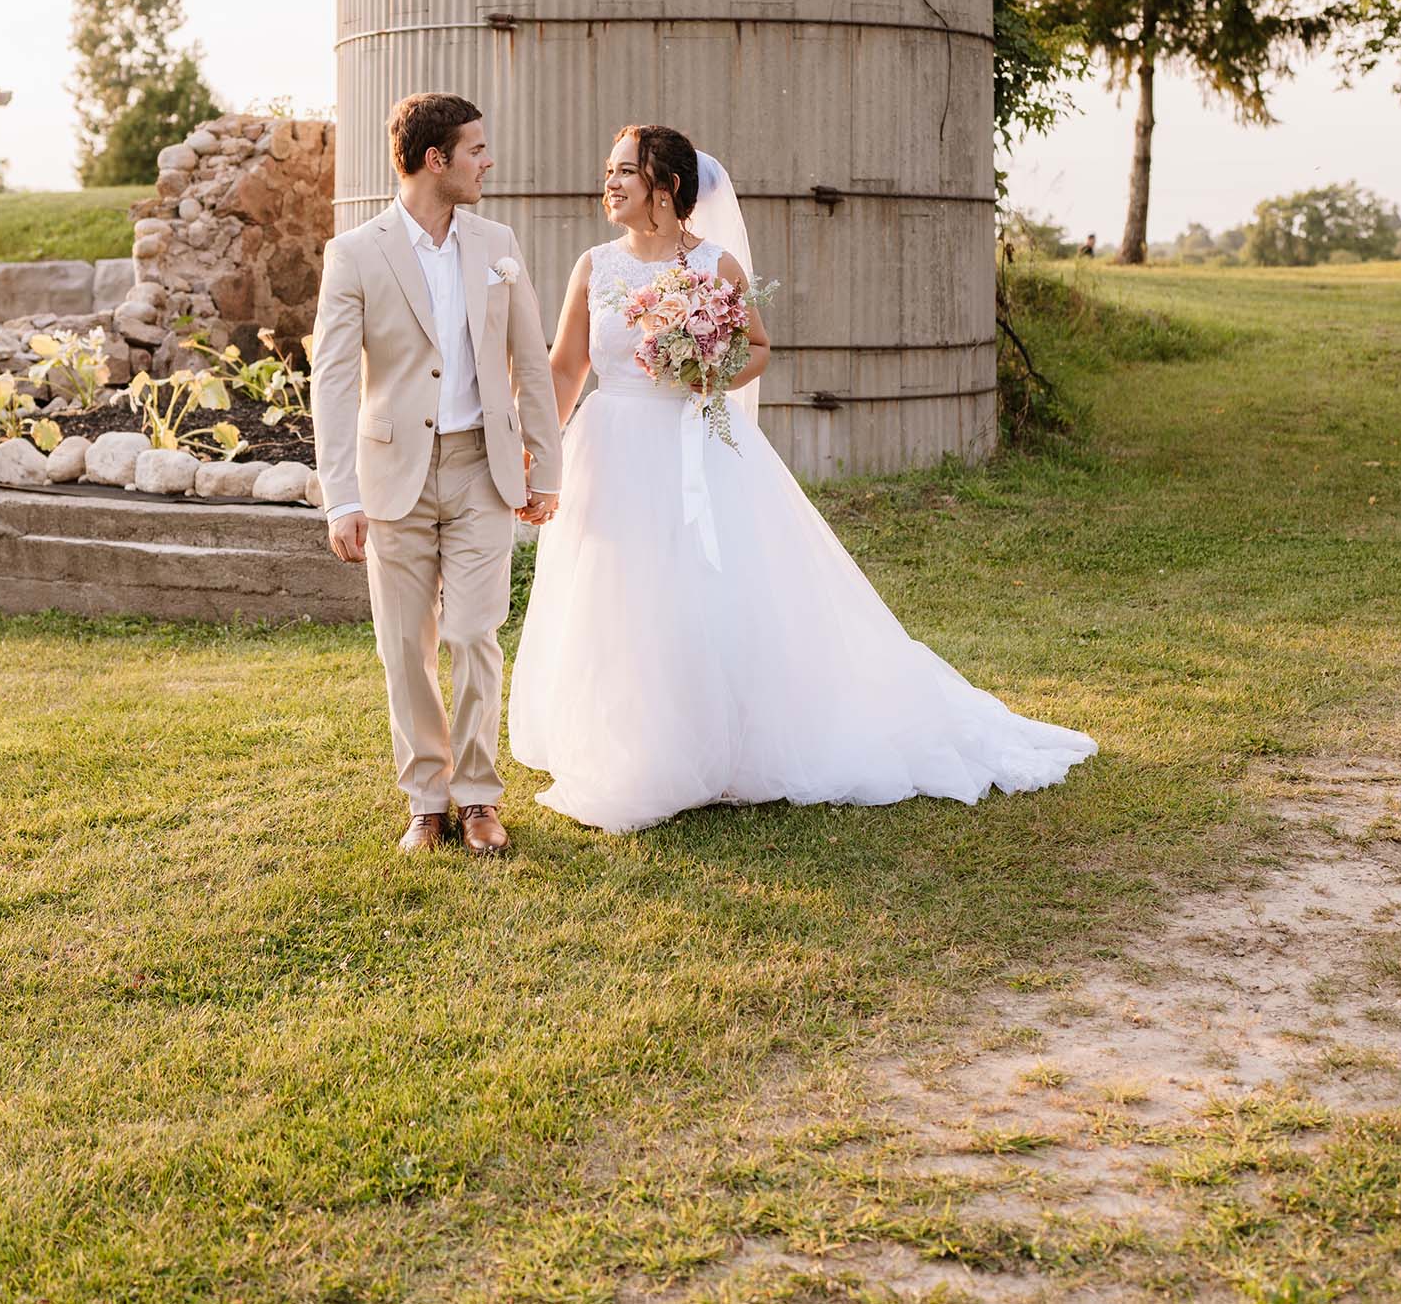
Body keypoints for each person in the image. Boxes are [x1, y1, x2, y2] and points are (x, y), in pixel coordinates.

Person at [507, 123, 1097, 833]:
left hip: (695, 448)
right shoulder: (593, 265)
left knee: (702, 590)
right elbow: (567, 364)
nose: (608, 182)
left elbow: (756, 347)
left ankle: (712, 743)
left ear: (664, 186)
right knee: (618, 591)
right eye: (608, 169)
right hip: (612, 446)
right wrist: (535, 444)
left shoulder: (716, 265)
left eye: (623, 171)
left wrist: (703, 369)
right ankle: (622, 736)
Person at [312, 93, 565, 855]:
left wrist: (544, 468)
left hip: (482, 469)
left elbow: (530, 361)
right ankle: (427, 799)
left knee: (473, 631)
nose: (487, 161)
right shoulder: (356, 253)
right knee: (404, 644)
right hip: (394, 475)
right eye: (476, 149)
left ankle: (480, 796)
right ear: (435, 160)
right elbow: (331, 378)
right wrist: (342, 495)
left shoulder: (498, 243)